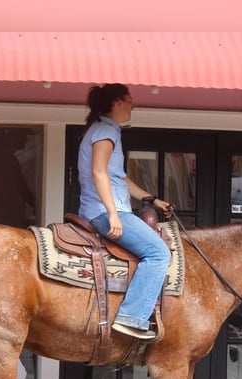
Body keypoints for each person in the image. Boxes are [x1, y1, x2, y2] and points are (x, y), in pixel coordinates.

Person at [78, 83, 172, 340]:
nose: (133, 105)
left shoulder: (106, 130)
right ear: (117, 103)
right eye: (129, 100)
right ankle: (132, 317)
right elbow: (98, 172)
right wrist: (113, 214)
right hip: (103, 211)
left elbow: (118, 177)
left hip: (108, 208)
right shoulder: (106, 131)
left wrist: (151, 199)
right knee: (159, 253)